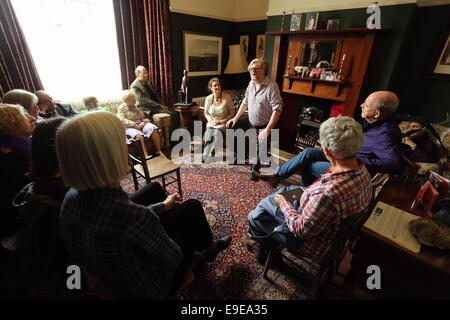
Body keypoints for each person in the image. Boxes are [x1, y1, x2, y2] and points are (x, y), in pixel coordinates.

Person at [56, 111, 231, 299]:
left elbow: (127, 219)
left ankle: (204, 241)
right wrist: (161, 230)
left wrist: (162, 206)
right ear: (108, 157)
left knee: (153, 188)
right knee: (192, 211)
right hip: (149, 288)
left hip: (109, 268)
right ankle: (205, 249)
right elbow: (172, 258)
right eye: (121, 142)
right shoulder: (135, 218)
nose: (127, 146)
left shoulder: (71, 196)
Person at [244, 116, 373, 264]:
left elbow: (300, 230)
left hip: (315, 244)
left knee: (255, 215)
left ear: (327, 152)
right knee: (288, 190)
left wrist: (284, 204)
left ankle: (262, 247)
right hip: (330, 228)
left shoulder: (326, 195)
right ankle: (261, 234)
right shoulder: (362, 170)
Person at [256, 91, 405, 188]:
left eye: (366, 105)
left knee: (309, 166)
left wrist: (356, 160)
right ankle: (277, 175)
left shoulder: (385, 134)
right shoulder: (373, 124)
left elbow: (395, 164)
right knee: (309, 152)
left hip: (351, 169)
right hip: (345, 157)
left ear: (377, 113)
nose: (361, 105)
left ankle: (303, 195)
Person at [1, 117, 69, 297]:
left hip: (59, 248)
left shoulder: (41, 173)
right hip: (79, 253)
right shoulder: (68, 185)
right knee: (153, 189)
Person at [226, 58, 283, 178]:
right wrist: (235, 118)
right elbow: (244, 102)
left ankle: (256, 169)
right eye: (251, 69)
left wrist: (268, 129)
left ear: (264, 71)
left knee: (261, 145)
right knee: (234, 126)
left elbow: (277, 109)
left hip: (266, 124)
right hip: (252, 122)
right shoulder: (251, 84)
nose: (253, 71)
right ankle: (240, 155)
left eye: (256, 69)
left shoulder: (272, 86)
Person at [0, 104, 36, 239]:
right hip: (20, 217)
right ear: (11, 124)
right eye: (25, 118)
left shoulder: (14, 145)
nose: (32, 118)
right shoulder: (22, 155)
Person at [130, 65, 180, 130]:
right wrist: (159, 105)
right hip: (147, 108)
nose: (147, 75)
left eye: (147, 73)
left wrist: (161, 104)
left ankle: (177, 132)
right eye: (144, 73)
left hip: (154, 106)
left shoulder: (147, 82)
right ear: (138, 74)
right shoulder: (134, 86)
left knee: (175, 111)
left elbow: (155, 96)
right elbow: (143, 101)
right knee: (173, 113)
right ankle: (175, 135)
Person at [117, 90, 161, 158]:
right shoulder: (121, 108)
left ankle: (158, 151)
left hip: (140, 124)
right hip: (129, 127)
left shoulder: (136, 106)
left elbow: (143, 117)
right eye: (132, 99)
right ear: (126, 100)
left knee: (153, 128)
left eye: (134, 98)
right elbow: (122, 120)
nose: (134, 100)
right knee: (139, 136)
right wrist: (134, 125)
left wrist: (143, 122)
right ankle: (145, 156)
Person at [203, 78, 235, 162]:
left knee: (216, 133)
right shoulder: (208, 98)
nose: (217, 87)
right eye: (215, 85)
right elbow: (206, 113)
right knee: (209, 132)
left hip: (223, 122)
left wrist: (222, 121)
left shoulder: (227, 97)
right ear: (211, 87)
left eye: (219, 85)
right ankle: (205, 153)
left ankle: (211, 154)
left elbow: (232, 113)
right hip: (212, 122)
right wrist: (211, 121)